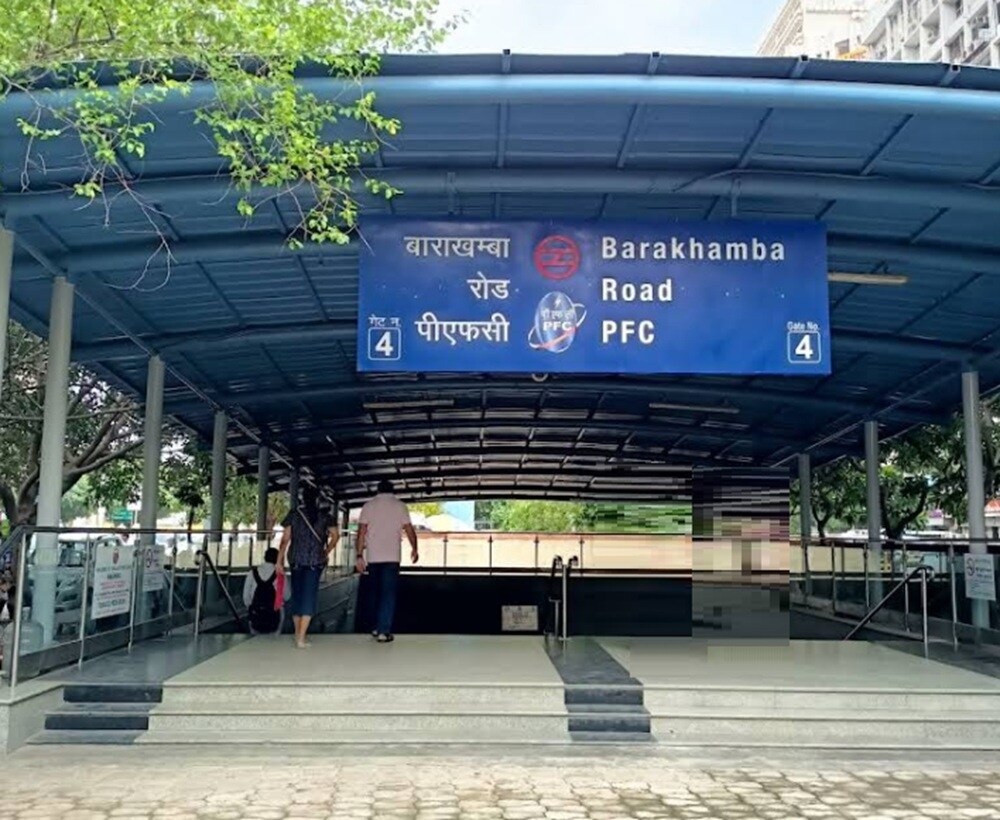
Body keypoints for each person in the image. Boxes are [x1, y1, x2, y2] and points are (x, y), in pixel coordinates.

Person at [276, 485, 339, 649]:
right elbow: (336, 536)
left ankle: (298, 635)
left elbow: (285, 539)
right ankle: (301, 638)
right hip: (315, 562)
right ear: (318, 499)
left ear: (303, 498)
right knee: (309, 597)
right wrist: (327, 550)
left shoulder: (294, 514)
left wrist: (279, 561)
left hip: (296, 561)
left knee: (297, 596)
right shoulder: (326, 516)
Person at [356, 479, 418, 643]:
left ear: (378, 490)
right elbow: (410, 530)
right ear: (392, 491)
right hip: (392, 556)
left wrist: (359, 555)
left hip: (373, 556)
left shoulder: (368, 506)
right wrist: (414, 548)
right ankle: (384, 631)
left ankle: (375, 627)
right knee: (388, 594)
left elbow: (361, 532)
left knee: (374, 592)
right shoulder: (400, 506)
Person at [243, 547, 290, 635]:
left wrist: (252, 607)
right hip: (275, 615)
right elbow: (287, 596)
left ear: (264, 558)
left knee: (255, 639)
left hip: (256, 614)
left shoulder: (252, 573)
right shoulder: (280, 575)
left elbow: (246, 597)